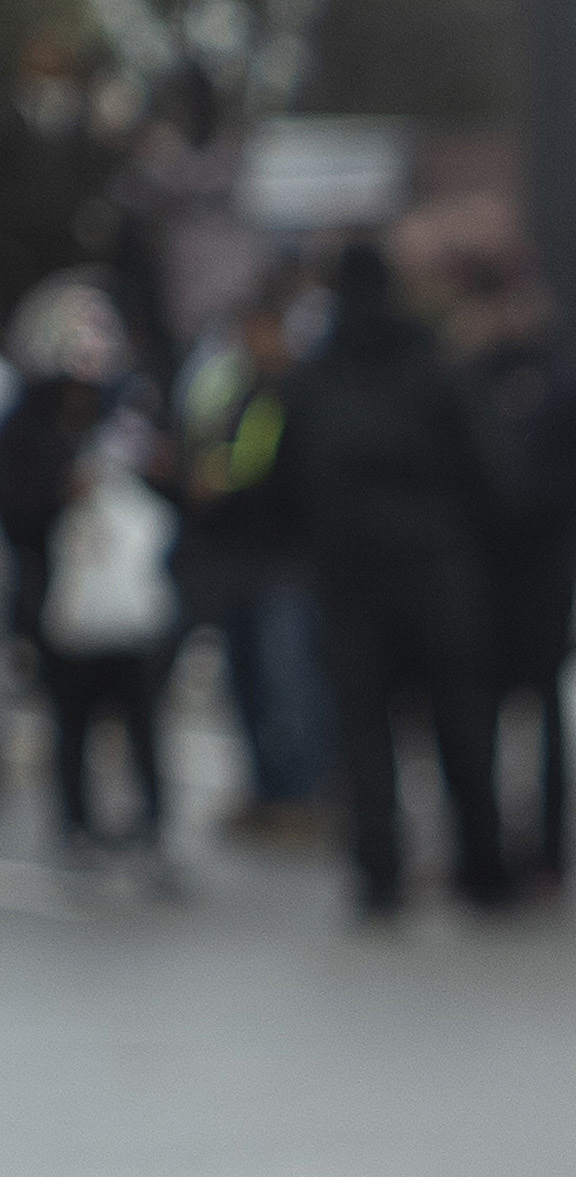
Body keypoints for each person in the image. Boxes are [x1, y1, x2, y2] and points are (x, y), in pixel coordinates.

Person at [280, 236, 506, 920]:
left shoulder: (317, 374)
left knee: (365, 732)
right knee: (461, 727)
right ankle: (483, 868)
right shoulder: (433, 364)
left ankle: (380, 873)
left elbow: (288, 479)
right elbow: (489, 472)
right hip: (438, 572)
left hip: (352, 581)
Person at [5, 271, 173, 864]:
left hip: (131, 600)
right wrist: (62, 492)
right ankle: (75, 823)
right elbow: (19, 513)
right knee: (70, 721)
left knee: (141, 720)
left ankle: (151, 823)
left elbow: (168, 496)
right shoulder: (29, 425)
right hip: (59, 598)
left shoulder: (126, 414)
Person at [457, 246, 576, 894]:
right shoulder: (466, 380)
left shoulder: (562, 381)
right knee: (479, 713)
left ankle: (551, 850)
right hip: (481, 571)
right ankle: (484, 850)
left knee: (547, 712)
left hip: (542, 569)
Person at [171, 268, 318, 836]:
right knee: (247, 682)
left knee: (292, 682)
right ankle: (266, 789)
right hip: (237, 561)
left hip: (287, 562)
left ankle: (300, 793)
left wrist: (223, 482)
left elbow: (273, 469)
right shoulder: (232, 391)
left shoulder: (298, 392)